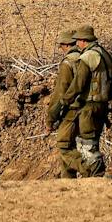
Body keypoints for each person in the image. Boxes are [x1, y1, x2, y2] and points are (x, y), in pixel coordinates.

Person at [70, 26, 112, 177]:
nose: (77, 44)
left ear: (84, 41)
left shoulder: (88, 57)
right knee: (94, 141)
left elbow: (78, 84)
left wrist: (65, 101)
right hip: (103, 105)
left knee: (87, 144)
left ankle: (97, 175)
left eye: (78, 41)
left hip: (89, 106)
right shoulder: (104, 54)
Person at [45, 29, 86, 178]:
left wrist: (50, 118)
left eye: (61, 46)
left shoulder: (68, 63)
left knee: (64, 146)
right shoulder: (86, 58)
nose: (61, 49)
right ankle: (67, 183)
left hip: (73, 110)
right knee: (75, 146)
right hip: (90, 110)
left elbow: (60, 94)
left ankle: (93, 172)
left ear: (66, 45)